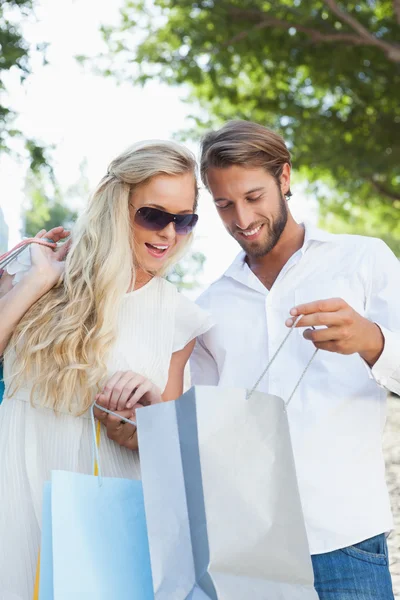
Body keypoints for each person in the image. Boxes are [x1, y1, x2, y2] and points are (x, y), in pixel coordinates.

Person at [190, 120, 400, 599]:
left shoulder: (363, 261)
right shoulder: (208, 307)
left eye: (253, 196)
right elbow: (200, 423)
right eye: (224, 204)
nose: (241, 218)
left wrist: (372, 340)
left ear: (285, 178)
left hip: (345, 541)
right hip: (246, 547)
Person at [0, 140, 212, 600]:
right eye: (154, 216)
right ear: (117, 203)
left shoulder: (179, 316)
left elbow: (169, 458)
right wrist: (37, 283)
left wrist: (146, 415)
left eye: (185, 220)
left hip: (105, 530)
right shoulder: (34, 266)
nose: (168, 234)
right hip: (13, 506)